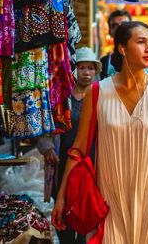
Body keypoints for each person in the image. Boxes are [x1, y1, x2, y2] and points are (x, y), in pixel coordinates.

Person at [52, 21, 148, 243]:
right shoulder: (98, 92)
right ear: (122, 49)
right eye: (141, 42)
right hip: (110, 200)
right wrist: (61, 197)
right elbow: (77, 150)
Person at [49, 47, 101, 244]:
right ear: (73, 69)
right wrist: (47, 149)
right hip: (64, 162)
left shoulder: (99, 97)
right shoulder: (63, 98)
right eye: (82, 68)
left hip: (90, 162)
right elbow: (49, 127)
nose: (86, 73)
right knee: (64, 210)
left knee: (85, 210)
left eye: (90, 68)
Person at [100, 10, 132, 79]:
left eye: (124, 24)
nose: (120, 28)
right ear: (110, 31)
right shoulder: (103, 63)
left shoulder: (147, 59)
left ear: (132, 29)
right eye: (114, 25)